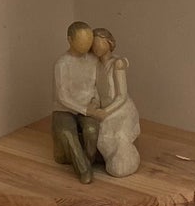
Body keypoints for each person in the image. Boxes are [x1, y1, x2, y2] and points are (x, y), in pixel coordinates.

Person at [88, 27, 141, 178]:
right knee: (102, 136)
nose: (96, 47)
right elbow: (98, 92)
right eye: (93, 44)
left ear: (109, 43)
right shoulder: (96, 66)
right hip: (104, 110)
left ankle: (124, 161)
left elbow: (121, 96)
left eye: (99, 43)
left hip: (121, 110)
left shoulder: (117, 64)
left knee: (115, 135)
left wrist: (106, 112)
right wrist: (95, 105)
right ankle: (109, 160)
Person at [52, 21, 100, 183]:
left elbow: (98, 85)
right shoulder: (62, 64)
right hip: (64, 109)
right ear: (70, 40)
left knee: (92, 130)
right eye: (82, 42)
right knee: (68, 134)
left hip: (88, 106)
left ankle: (88, 160)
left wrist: (95, 102)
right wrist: (86, 111)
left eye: (89, 41)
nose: (86, 46)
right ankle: (83, 169)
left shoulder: (93, 60)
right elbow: (62, 97)